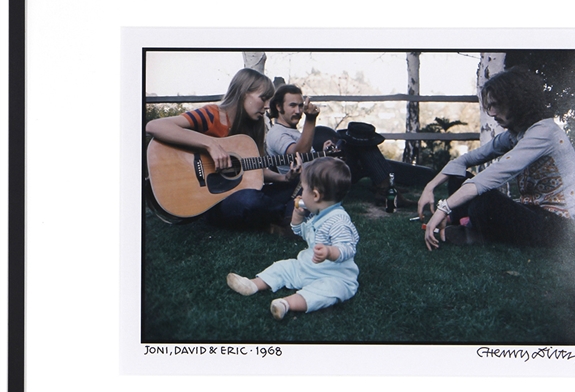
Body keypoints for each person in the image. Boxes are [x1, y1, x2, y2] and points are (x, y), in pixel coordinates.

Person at [418, 65, 575, 250]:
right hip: (531, 211)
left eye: (497, 105)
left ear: (518, 102)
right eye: (490, 106)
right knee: (459, 178)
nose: (493, 113)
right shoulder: (516, 133)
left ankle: (471, 231)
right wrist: (429, 187)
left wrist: (443, 207)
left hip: (558, 226)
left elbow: (491, 176)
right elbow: (464, 160)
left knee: (484, 199)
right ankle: (463, 224)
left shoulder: (544, 132)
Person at [146, 68, 301, 229]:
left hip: (240, 192)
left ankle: (286, 213)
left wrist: (284, 178)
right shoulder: (212, 115)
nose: (267, 106)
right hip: (213, 202)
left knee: (298, 182)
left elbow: (255, 169)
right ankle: (290, 215)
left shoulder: (255, 127)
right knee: (249, 200)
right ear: (243, 93)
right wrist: (210, 145)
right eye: (263, 98)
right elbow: (154, 126)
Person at [226, 156, 359, 320]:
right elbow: (301, 232)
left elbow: (348, 248)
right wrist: (297, 216)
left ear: (315, 195)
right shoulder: (318, 214)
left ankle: (285, 304)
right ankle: (253, 284)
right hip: (308, 266)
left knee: (327, 291)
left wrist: (330, 252)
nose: (301, 193)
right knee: (283, 267)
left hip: (336, 276)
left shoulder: (339, 220)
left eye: (303, 189)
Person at [265, 83, 411, 205]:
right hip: (308, 184)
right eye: (292, 106)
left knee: (360, 138)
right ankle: (386, 187)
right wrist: (310, 119)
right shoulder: (277, 133)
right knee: (361, 142)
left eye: (300, 106)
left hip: (320, 174)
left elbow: (306, 156)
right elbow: (298, 155)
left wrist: (322, 153)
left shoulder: (291, 130)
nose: (298, 111)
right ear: (278, 107)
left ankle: (385, 185)